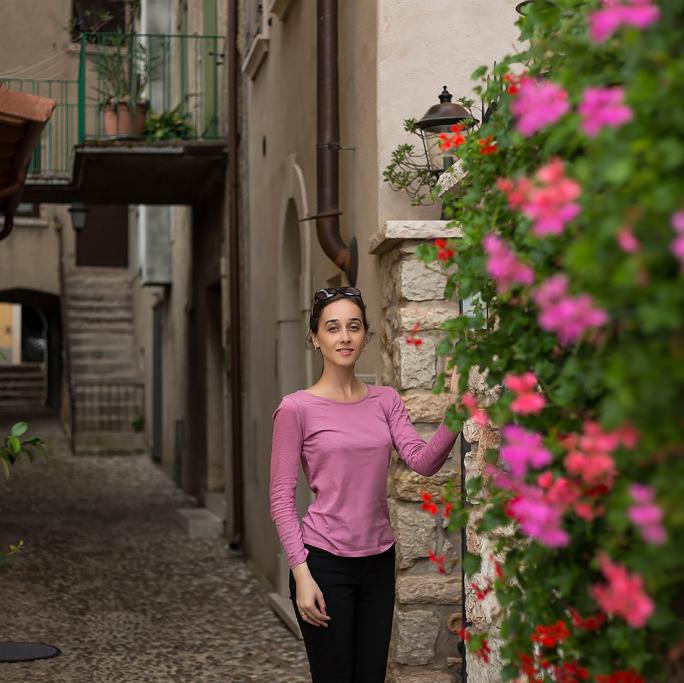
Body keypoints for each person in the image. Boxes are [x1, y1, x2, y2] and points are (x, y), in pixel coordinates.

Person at [269, 286, 459, 683]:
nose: (344, 337)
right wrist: (301, 575)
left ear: (365, 335)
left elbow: (423, 462)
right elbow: (281, 500)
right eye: (333, 328)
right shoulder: (296, 408)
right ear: (315, 338)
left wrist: (456, 412)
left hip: (378, 562)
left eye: (353, 327)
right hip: (324, 563)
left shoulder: (385, 400)